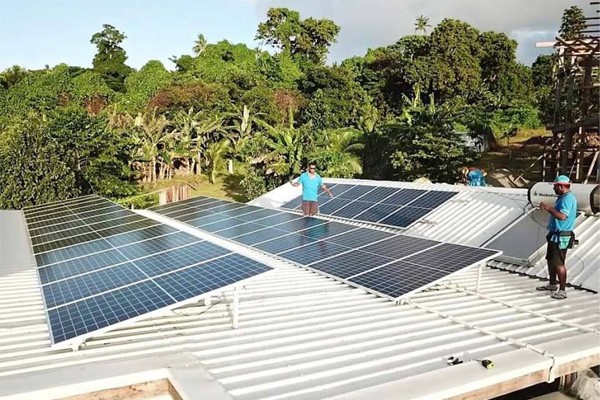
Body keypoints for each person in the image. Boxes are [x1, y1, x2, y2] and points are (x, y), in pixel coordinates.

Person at [536, 175, 578, 300]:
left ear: (561, 186)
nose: (554, 188)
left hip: (561, 236)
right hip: (554, 235)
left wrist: (548, 208)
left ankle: (562, 291)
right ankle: (552, 284)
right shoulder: (563, 197)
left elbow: (562, 216)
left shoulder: (568, 199)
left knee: (559, 263)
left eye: (555, 186)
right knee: (551, 260)